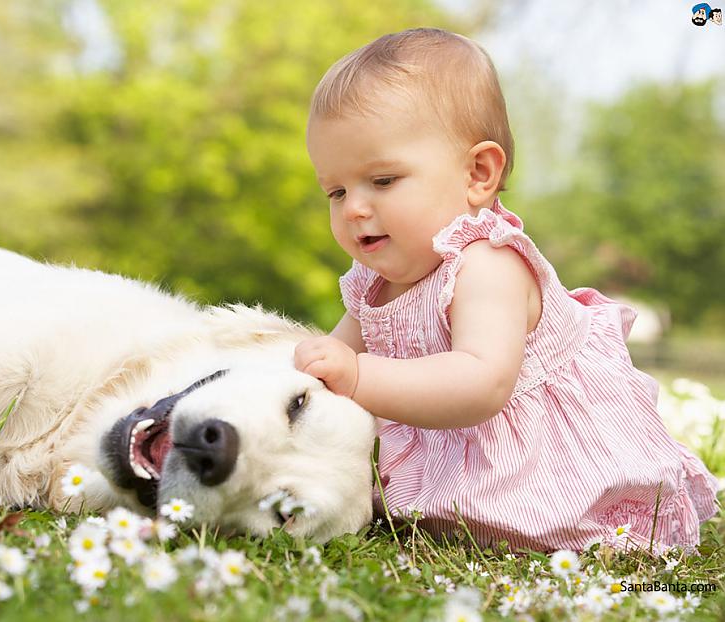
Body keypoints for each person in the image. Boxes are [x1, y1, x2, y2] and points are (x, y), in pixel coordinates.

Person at [293, 28, 719, 552]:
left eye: (381, 181)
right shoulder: (372, 284)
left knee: (575, 528)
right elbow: (331, 358)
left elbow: (480, 383)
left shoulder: (488, 263)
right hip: (455, 455)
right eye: (336, 191)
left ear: (478, 173)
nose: (353, 208)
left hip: (543, 463)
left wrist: (356, 375)